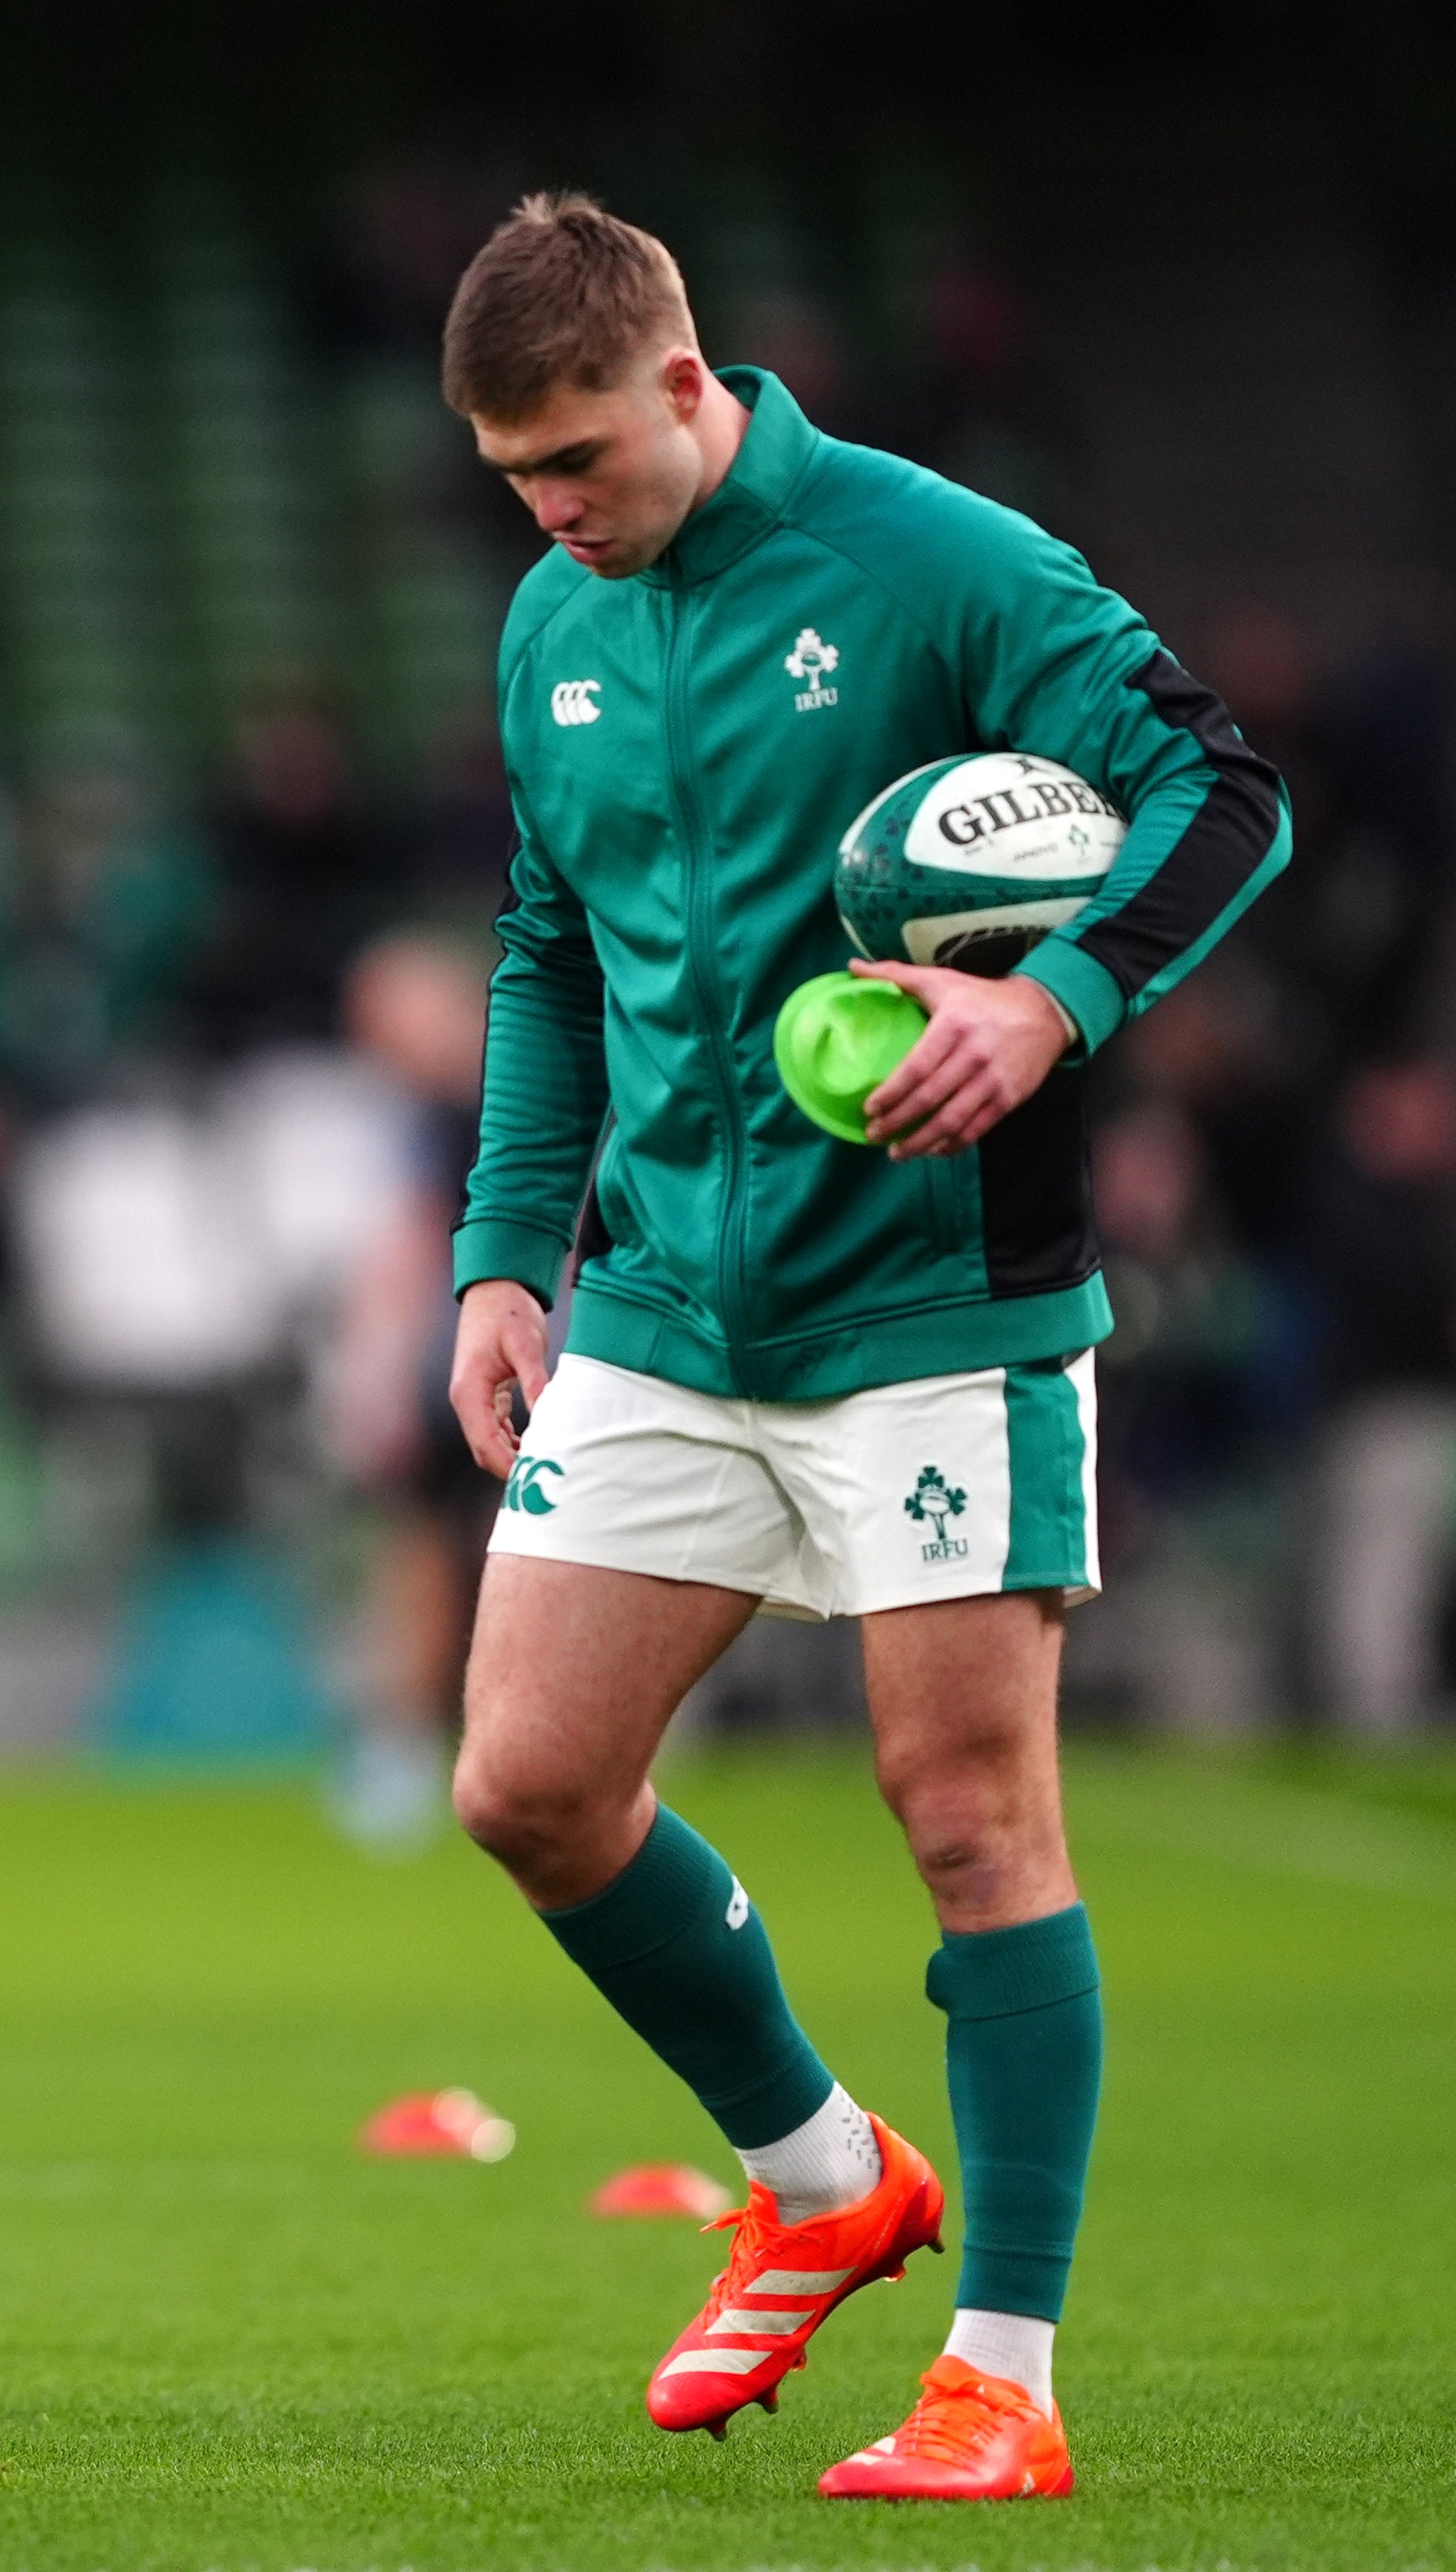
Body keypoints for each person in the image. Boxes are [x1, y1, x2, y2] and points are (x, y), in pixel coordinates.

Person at [436, 198, 1285, 2502]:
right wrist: (504, 1255)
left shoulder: (937, 562)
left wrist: (1050, 997)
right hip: (661, 1299)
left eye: (579, 461)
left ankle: (1000, 2372)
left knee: (965, 1812)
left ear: (690, 388)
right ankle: (824, 2181)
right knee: (520, 1783)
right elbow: (548, 945)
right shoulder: (552, 623)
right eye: (515, 479)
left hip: (939, 1306)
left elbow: (1221, 787)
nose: (550, 515)